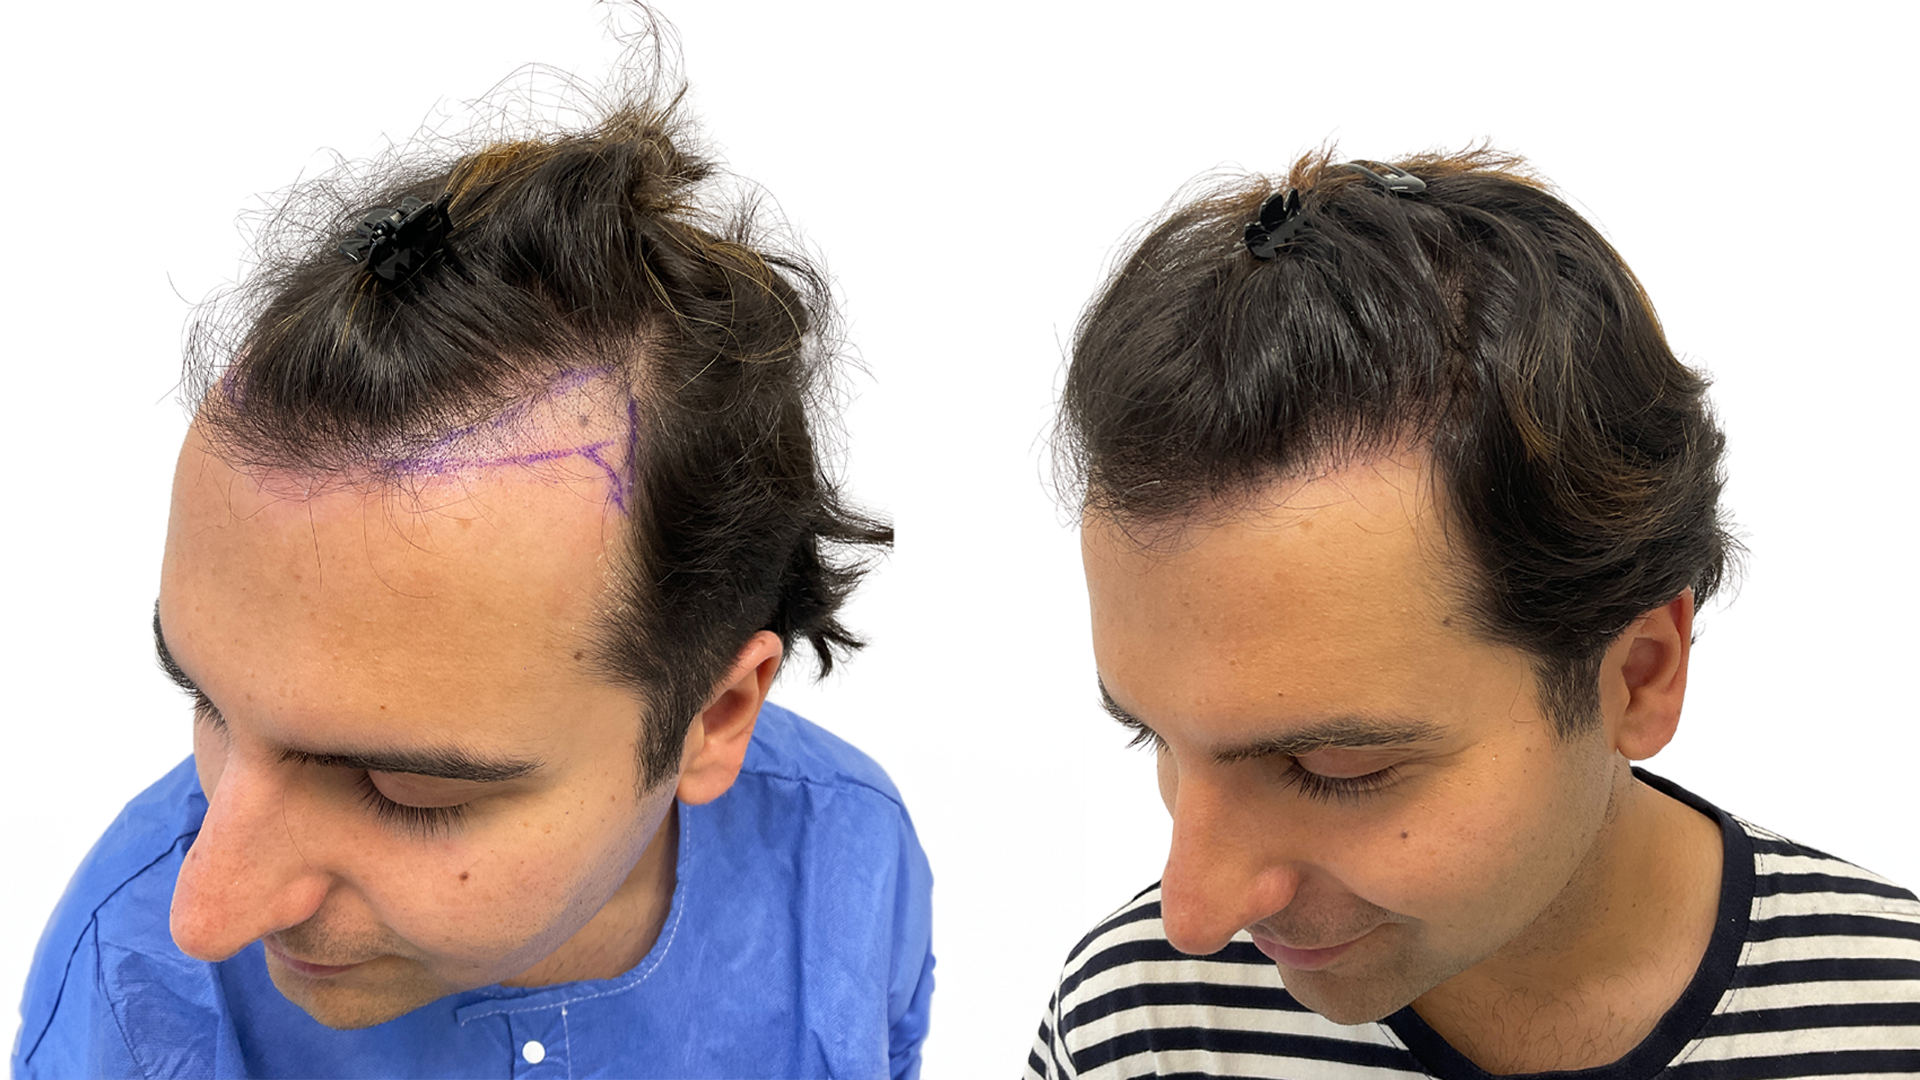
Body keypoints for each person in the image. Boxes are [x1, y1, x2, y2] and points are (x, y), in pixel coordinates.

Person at [12, 50, 933, 1080]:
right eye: (211, 704)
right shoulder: (126, 977)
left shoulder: (851, 867)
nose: (206, 913)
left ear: (715, 716)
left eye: (404, 789)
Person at [1024, 150, 1920, 1078]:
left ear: (1638, 676)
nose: (1195, 914)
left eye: (1336, 768)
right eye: (1157, 739)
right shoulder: (1133, 1024)